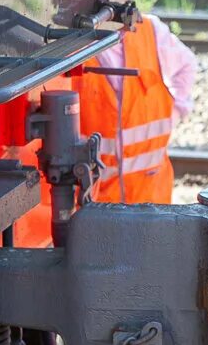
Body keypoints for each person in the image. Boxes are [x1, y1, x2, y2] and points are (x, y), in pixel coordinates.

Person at [77, 12, 196, 203]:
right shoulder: (70, 42)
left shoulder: (150, 30)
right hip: (95, 204)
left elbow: (187, 65)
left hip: (151, 199)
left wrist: (173, 111)